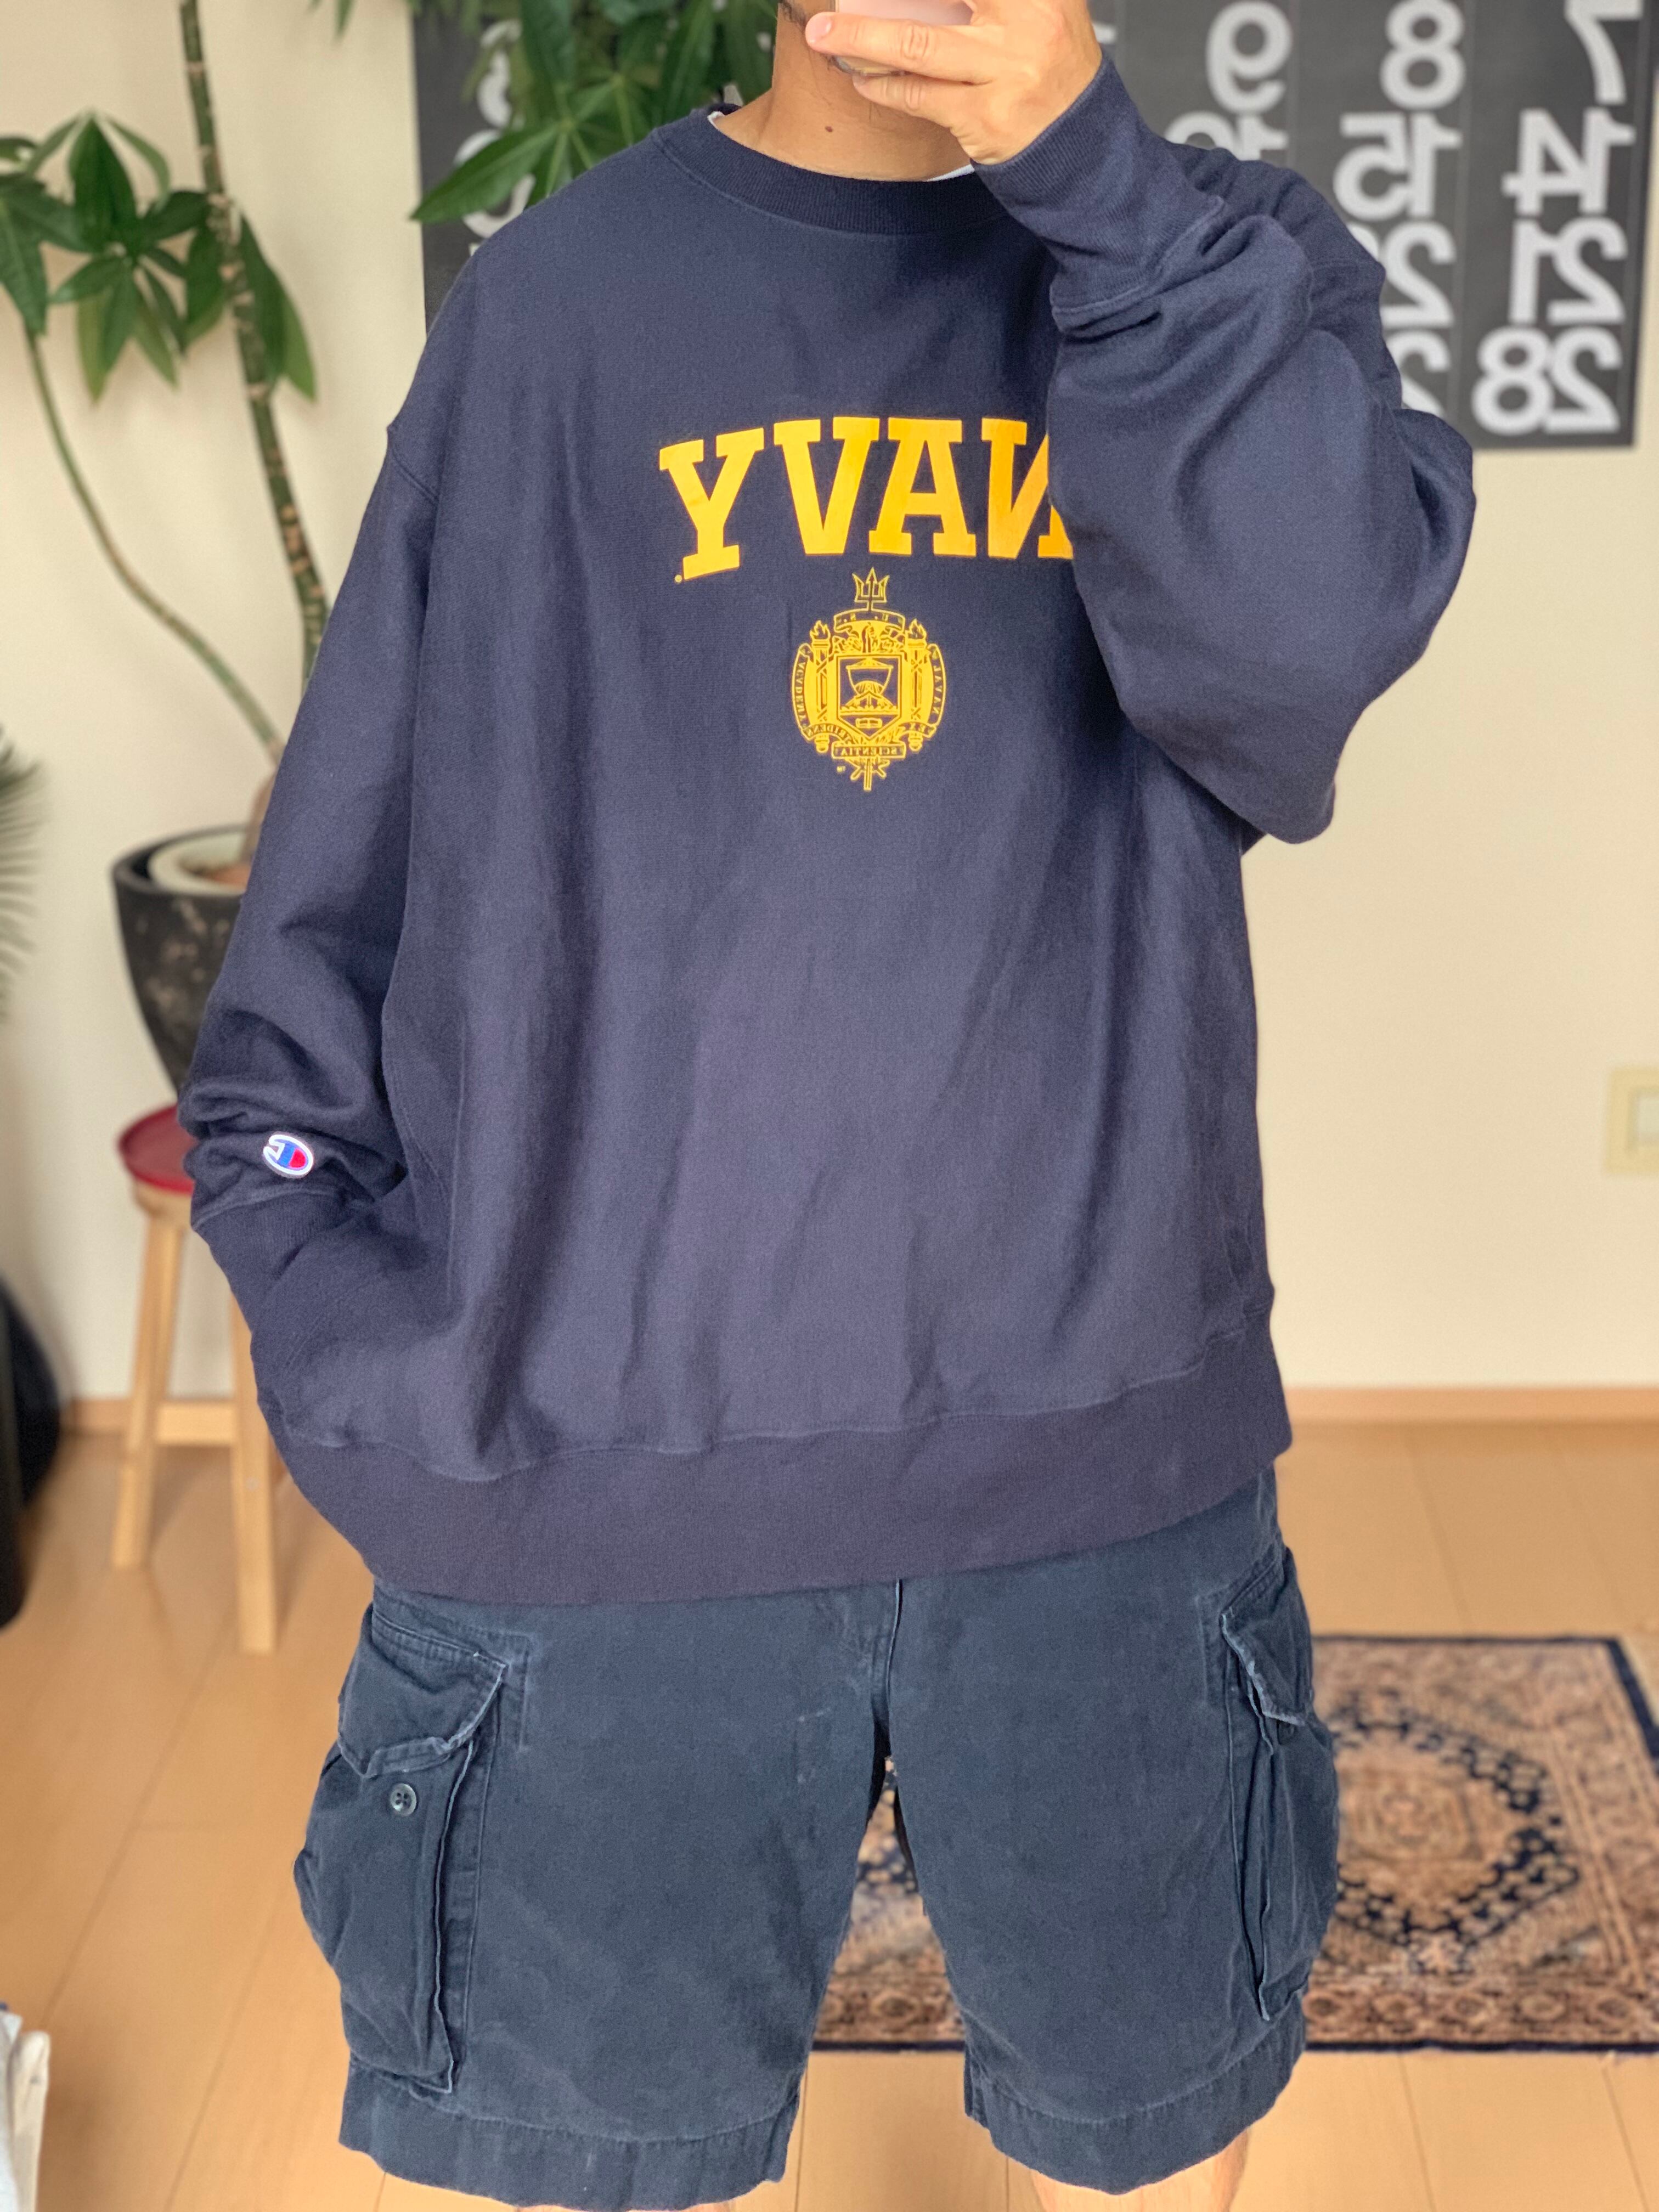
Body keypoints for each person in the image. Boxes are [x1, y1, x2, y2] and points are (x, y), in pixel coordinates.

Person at [177, 0, 1475, 2203]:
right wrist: (332, 1302)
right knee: (590, 2158)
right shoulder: (561, 305)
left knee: (1154, 2142)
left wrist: (1096, 186)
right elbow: (360, 859)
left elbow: (1294, 672)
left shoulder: (1219, 258)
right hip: (598, 1487)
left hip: (1103, 1486)